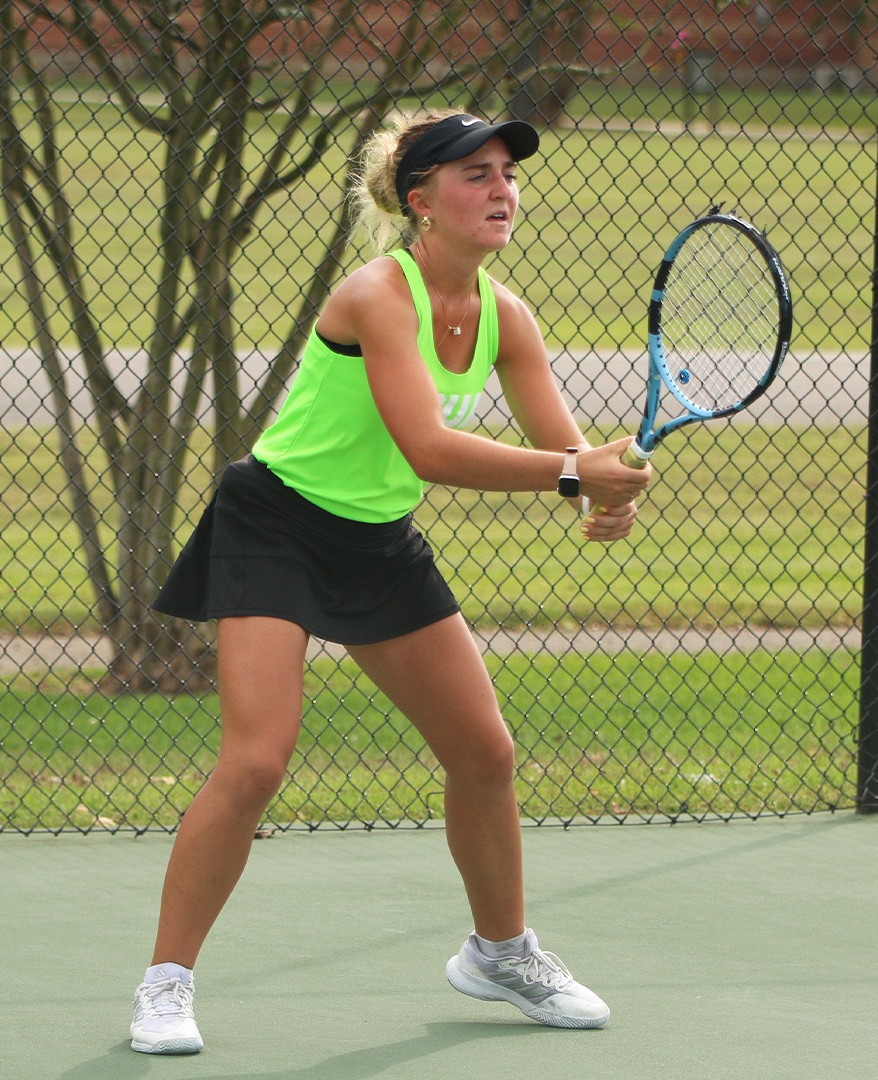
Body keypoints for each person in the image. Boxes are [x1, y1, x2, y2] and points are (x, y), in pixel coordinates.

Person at [129, 108, 653, 1055]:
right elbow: (430, 445)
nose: (501, 190)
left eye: (507, 174)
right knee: (256, 760)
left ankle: (499, 953)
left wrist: (601, 487)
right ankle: (165, 985)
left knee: (485, 755)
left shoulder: (509, 317)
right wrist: (579, 475)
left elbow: (565, 450)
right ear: (421, 203)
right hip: (277, 525)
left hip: (377, 539)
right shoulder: (377, 293)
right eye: (475, 175)